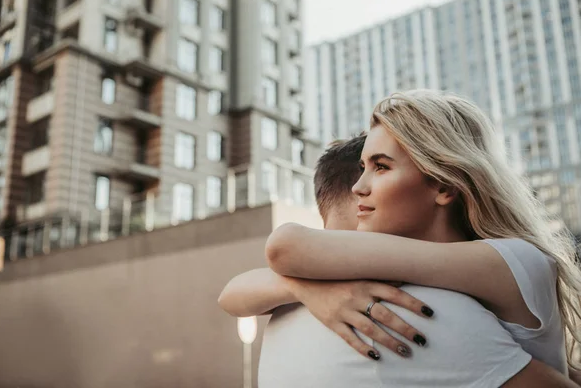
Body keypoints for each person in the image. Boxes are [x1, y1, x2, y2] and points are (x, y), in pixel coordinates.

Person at [219, 113, 579, 386]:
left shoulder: (479, 282)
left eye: (380, 167)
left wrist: (303, 285)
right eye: (363, 168)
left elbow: (286, 246)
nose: (361, 187)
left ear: (443, 184)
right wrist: (301, 286)